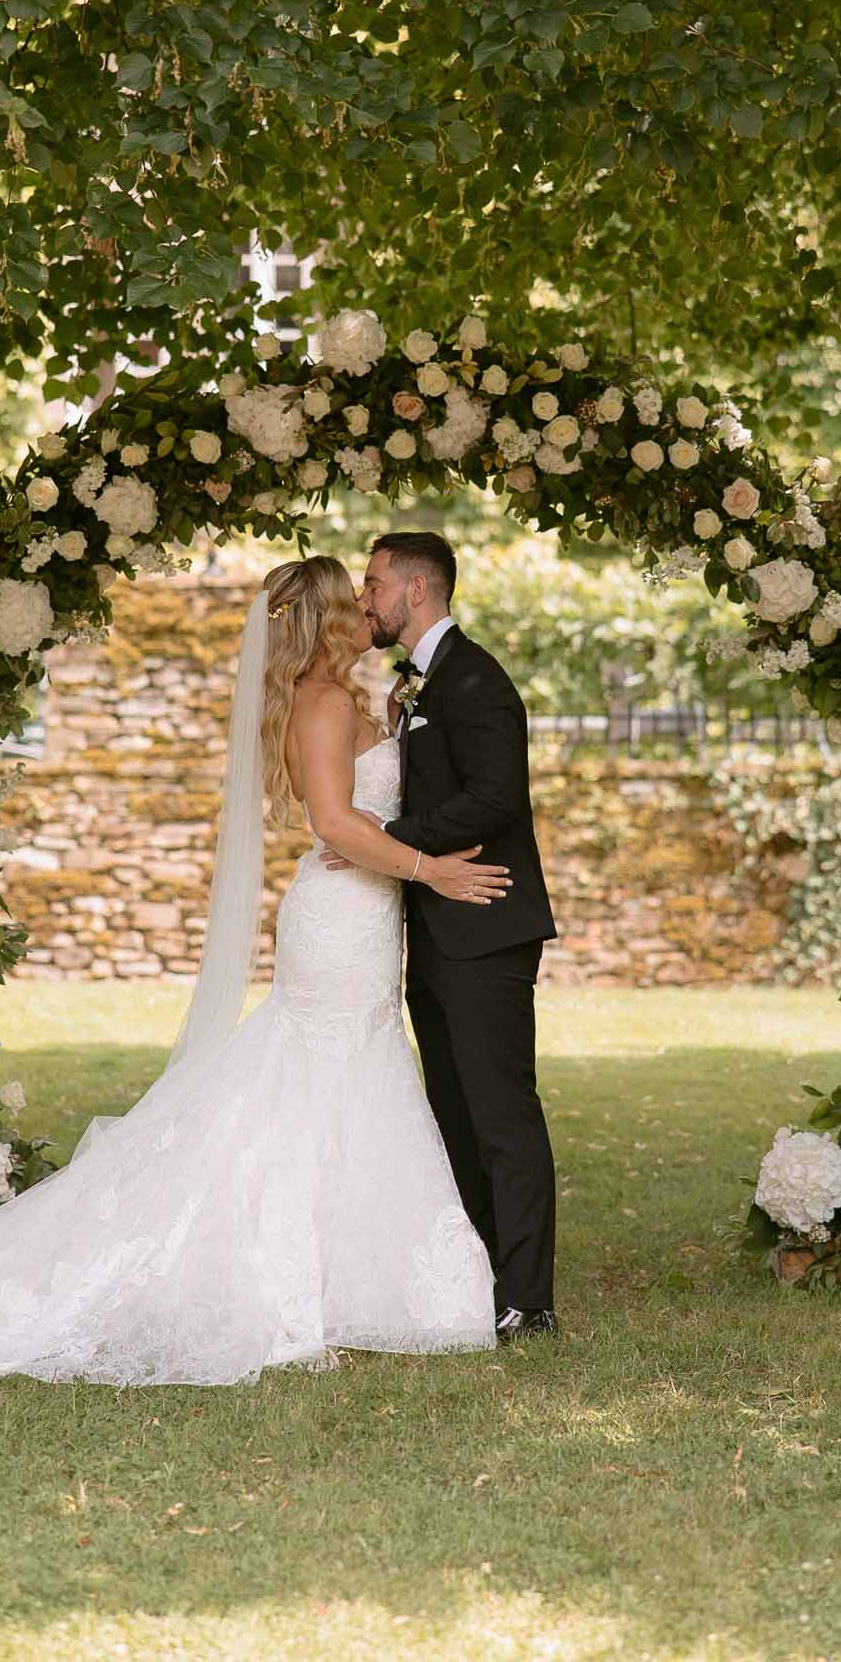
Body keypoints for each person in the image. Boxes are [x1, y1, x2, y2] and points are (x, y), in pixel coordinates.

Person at [0, 557, 513, 1387]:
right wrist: (432, 871)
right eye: (350, 599)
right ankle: (304, 1282)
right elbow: (334, 824)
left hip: (363, 915)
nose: (364, 606)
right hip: (340, 917)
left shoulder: (355, 699)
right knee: (319, 1076)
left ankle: (355, 1278)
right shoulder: (319, 705)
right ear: (326, 622)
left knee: (352, 1079)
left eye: (369, 592)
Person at [336, 530, 559, 1340]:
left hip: (486, 924)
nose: (364, 598)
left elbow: (497, 798)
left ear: (417, 588)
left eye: (373, 582)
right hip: (432, 930)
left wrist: (393, 836)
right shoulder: (421, 683)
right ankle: (482, 1276)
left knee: (502, 1114)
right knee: (453, 1114)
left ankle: (528, 1300)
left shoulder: (477, 680)